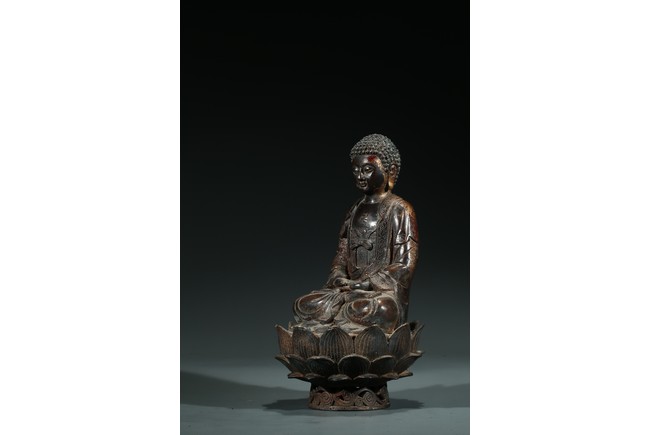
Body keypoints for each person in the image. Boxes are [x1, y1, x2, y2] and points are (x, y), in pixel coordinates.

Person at [292, 134, 418, 334]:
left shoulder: (399, 209)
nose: (360, 176)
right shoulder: (354, 210)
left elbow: (404, 264)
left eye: (367, 169)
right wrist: (338, 276)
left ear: (391, 170)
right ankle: (341, 323)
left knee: (381, 310)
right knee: (302, 305)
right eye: (356, 170)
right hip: (347, 292)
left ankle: (340, 326)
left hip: (377, 295)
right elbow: (342, 253)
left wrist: (367, 284)